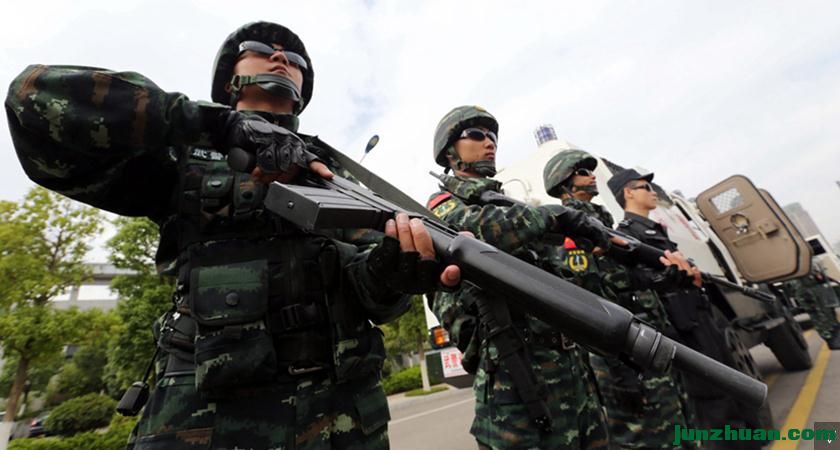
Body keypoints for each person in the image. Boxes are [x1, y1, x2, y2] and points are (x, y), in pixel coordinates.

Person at [5, 22, 460, 449]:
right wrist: (211, 125)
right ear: (229, 79)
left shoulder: (334, 175)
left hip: (342, 419)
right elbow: (31, 98)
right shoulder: (182, 155)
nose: (280, 58)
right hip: (205, 421)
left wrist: (392, 272)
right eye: (261, 49)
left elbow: (375, 298)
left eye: (295, 59)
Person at [427, 106, 616, 449]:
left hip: (570, 370)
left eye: (493, 136)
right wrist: (555, 217)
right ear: (450, 152)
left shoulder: (506, 205)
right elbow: (479, 232)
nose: (490, 143)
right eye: (476, 135)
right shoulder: (444, 204)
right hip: (517, 378)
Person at [543, 153, 699, 449]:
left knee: (676, 421)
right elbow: (589, 301)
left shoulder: (602, 223)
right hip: (620, 351)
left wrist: (659, 279)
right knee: (644, 433)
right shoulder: (570, 230)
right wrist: (618, 371)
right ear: (564, 183)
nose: (592, 175)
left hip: (644, 338)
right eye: (582, 171)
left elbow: (620, 280)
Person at [608, 168, 767, 449]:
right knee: (711, 394)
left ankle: (750, 439)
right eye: (645, 187)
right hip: (680, 323)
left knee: (731, 380)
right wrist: (672, 277)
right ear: (628, 193)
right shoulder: (627, 235)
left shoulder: (651, 229)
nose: (652, 192)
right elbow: (635, 282)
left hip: (697, 315)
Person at [783, 263, 840, 350]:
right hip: (807, 292)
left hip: (816, 290)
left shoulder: (806, 262)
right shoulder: (792, 266)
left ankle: (834, 335)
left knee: (828, 313)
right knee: (818, 316)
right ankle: (830, 339)